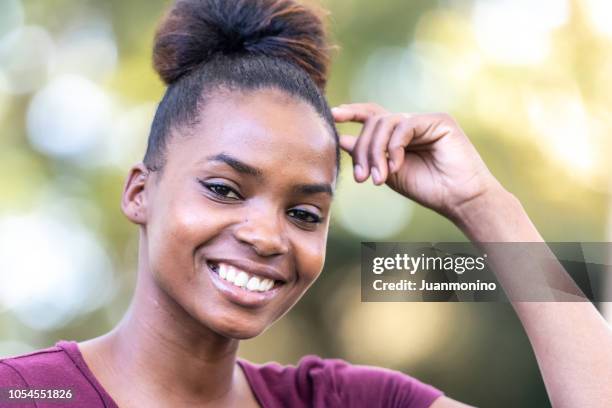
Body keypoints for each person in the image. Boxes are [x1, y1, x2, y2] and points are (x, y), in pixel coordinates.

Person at [1, 0, 611, 407]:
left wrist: (485, 205)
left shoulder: (344, 401)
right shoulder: (25, 393)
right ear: (140, 192)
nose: (267, 236)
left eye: (305, 214)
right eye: (223, 189)